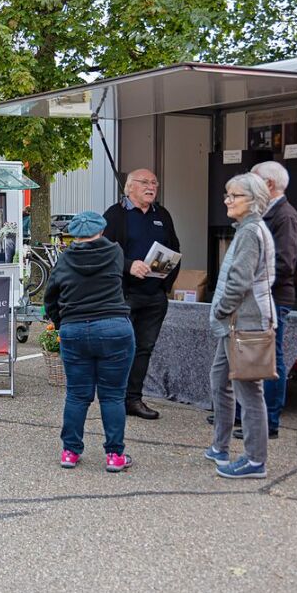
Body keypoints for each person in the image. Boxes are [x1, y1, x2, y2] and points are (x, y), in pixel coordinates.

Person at [43, 211, 135, 472]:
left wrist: (62, 323)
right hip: (114, 327)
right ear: (101, 231)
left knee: (77, 394)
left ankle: (70, 452)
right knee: (113, 395)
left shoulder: (64, 259)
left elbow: (51, 297)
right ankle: (115, 456)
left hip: (74, 329)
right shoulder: (114, 253)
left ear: (74, 234)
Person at [205, 173, 276, 479]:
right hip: (234, 324)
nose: (227, 200)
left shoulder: (250, 231)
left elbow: (240, 281)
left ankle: (254, 460)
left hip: (244, 324)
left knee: (249, 393)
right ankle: (220, 447)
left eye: (234, 196)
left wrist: (220, 309)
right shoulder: (247, 229)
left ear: (254, 201)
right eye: (227, 194)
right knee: (220, 381)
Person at [103, 168, 181, 420]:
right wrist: (128, 265)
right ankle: (114, 398)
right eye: (145, 182)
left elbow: (175, 249)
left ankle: (133, 399)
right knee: (121, 348)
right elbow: (104, 252)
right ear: (129, 187)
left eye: (155, 183)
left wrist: (165, 280)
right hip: (124, 294)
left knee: (144, 348)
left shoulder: (163, 215)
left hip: (154, 296)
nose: (151, 186)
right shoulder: (116, 215)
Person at [240, 161, 297, 440]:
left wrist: (248, 275)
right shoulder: (263, 213)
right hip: (258, 296)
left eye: (252, 181)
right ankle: (247, 414)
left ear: (269, 185)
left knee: (270, 358)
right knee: (252, 355)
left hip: (273, 298)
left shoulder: (285, 216)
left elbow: (285, 264)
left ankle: (269, 421)